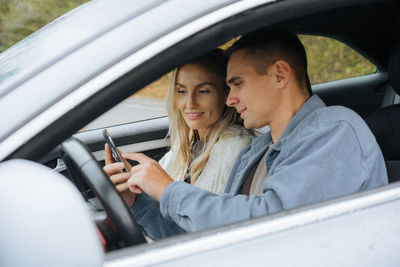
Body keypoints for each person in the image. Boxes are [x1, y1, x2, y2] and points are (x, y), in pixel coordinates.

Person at [108, 27, 388, 240]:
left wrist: (169, 190)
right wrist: (138, 204)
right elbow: (212, 239)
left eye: (237, 84)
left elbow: (271, 225)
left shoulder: (334, 131)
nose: (229, 99)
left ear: (280, 75)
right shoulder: (256, 153)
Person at [104, 49, 252, 207]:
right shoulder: (187, 143)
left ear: (226, 94)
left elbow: (194, 224)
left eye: (203, 91)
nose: (189, 104)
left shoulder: (236, 149)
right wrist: (133, 192)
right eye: (181, 91)